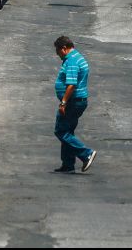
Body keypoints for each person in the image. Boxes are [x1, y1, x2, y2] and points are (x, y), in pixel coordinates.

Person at [52, 36, 97, 174]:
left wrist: (63, 102)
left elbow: (71, 85)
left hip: (73, 102)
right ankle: (68, 163)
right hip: (78, 101)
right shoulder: (77, 57)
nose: (58, 55)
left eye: (58, 52)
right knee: (68, 131)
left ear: (64, 48)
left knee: (60, 131)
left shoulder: (71, 61)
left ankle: (86, 154)